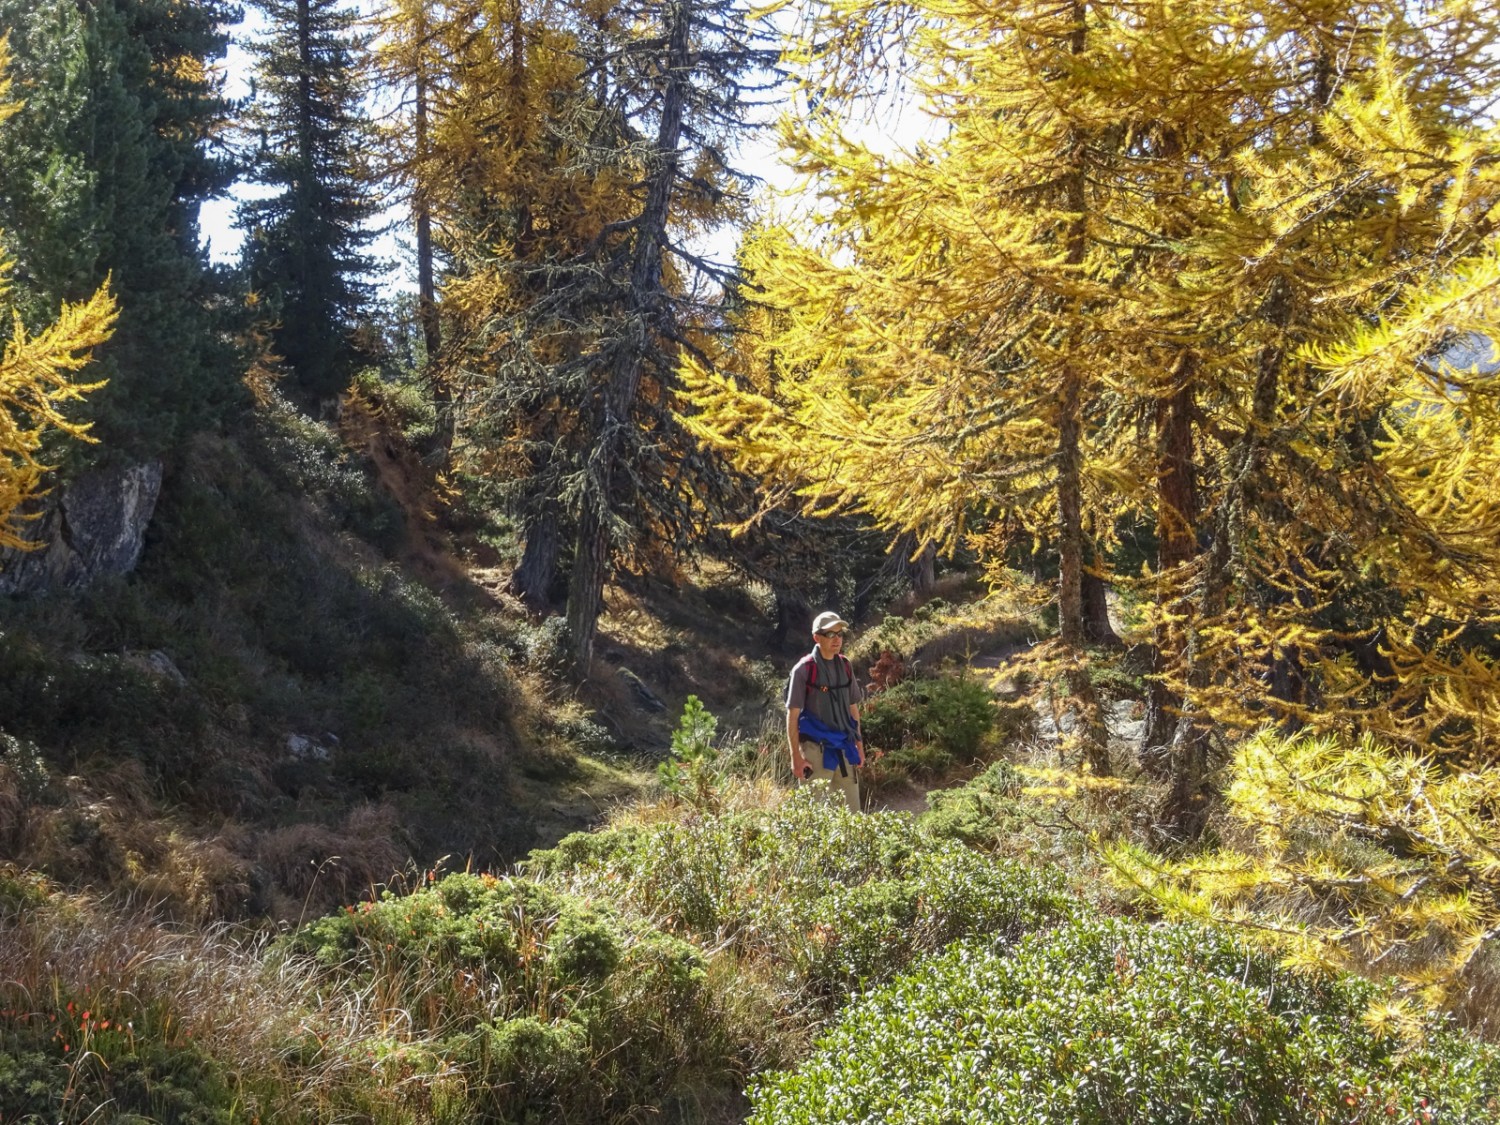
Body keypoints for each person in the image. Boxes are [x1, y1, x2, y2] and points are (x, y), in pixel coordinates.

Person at [786, 610, 866, 812]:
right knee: (814, 818)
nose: (837, 639)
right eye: (830, 634)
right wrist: (795, 756)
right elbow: (792, 716)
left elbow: (853, 708)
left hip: (845, 750)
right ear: (816, 637)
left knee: (852, 818)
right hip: (815, 753)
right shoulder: (803, 670)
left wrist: (859, 745)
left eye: (839, 634)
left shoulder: (846, 666)